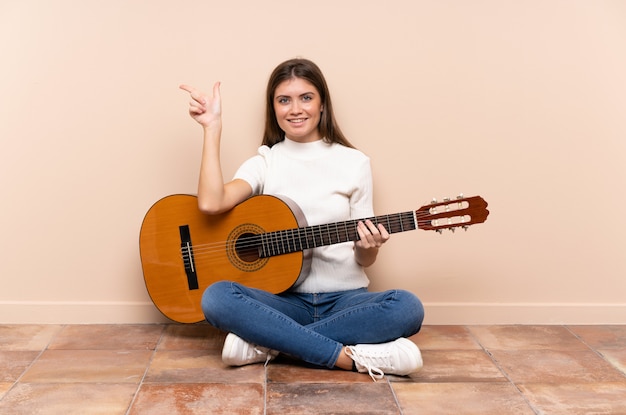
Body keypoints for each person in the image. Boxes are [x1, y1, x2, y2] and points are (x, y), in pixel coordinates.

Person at [179, 58, 424, 381]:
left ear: (322, 104)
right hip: (283, 302)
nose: (295, 109)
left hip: (345, 300)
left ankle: (270, 343)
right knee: (216, 297)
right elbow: (212, 203)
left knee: (407, 307)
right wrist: (212, 128)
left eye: (306, 97)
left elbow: (364, 259)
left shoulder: (355, 163)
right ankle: (348, 358)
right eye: (284, 100)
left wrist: (370, 247)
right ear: (274, 108)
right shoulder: (266, 161)